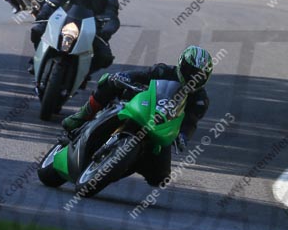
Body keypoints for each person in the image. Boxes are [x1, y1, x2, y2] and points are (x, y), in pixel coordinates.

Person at [61, 45, 213, 186]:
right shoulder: (163, 71)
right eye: (190, 71)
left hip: (161, 127)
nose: (194, 77)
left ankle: (130, 162)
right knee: (110, 81)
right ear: (182, 64)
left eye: (200, 75)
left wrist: (183, 137)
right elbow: (140, 75)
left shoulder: (200, 100)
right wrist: (124, 76)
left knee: (160, 179)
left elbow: (191, 122)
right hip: (138, 105)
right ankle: (81, 116)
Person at [30, 0, 119, 78]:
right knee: (37, 30)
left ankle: (84, 74)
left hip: (92, 30)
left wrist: (106, 30)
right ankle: (37, 58)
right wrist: (43, 15)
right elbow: (55, 1)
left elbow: (112, 14)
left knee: (105, 57)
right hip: (66, 22)